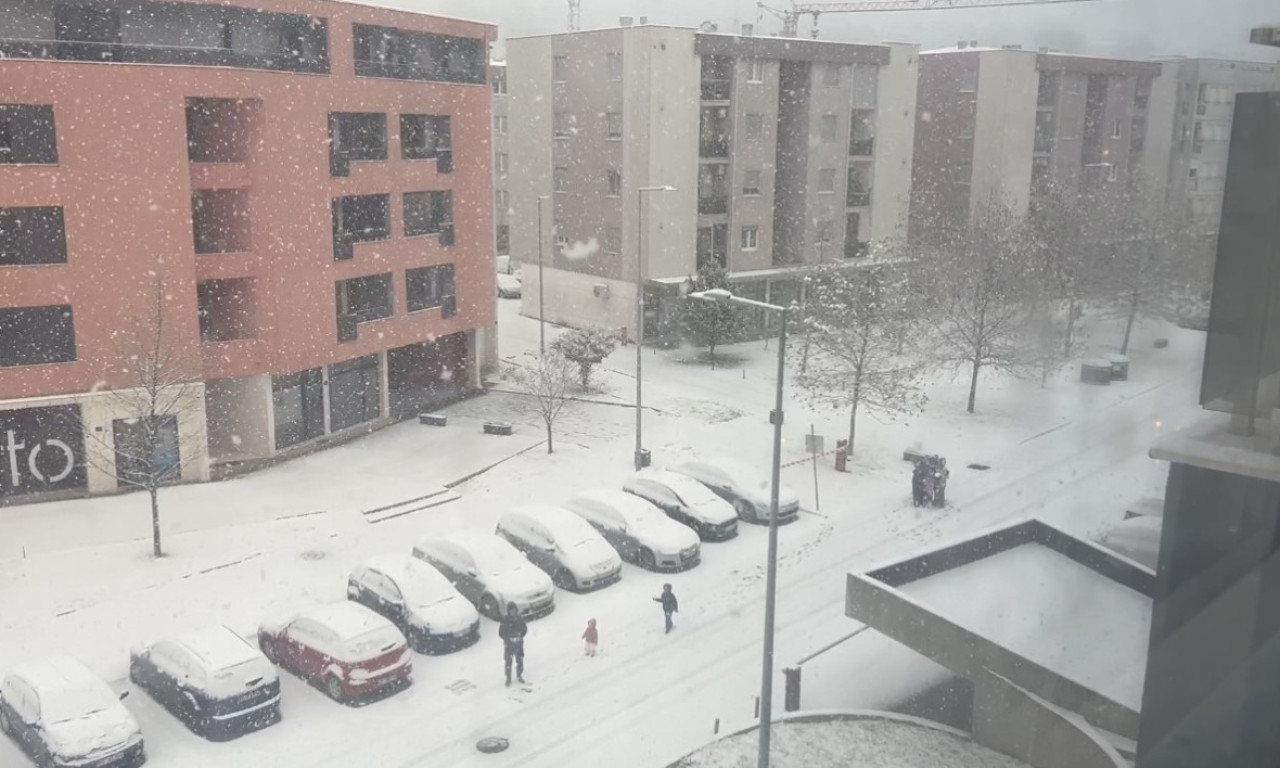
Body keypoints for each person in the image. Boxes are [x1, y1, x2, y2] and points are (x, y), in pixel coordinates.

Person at [499, 601, 528, 686]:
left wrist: (520, 636)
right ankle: (508, 678)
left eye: (514, 610)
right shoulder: (505, 620)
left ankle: (519, 675)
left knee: (520, 660)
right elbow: (501, 633)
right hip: (509, 645)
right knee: (508, 662)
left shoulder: (519, 618)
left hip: (519, 644)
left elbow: (524, 629)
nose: (513, 612)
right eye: (511, 610)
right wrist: (509, 638)